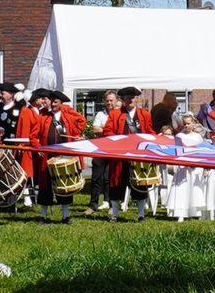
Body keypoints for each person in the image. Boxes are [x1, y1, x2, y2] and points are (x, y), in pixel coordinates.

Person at [101, 86, 155, 222]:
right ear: (123, 99)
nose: (130, 100)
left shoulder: (145, 114)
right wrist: (119, 142)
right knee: (116, 184)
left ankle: (141, 215)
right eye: (127, 97)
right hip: (120, 157)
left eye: (132, 97)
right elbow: (107, 132)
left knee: (140, 185)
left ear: (136, 99)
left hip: (138, 157)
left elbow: (149, 132)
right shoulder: (115, 114)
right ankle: (115, 214)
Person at [43, 91, 86, 224]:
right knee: (46, 186)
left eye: (56, 102)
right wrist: (38, 147)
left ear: (61, 104)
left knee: (65, 185)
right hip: (48, 155)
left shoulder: (68, 117)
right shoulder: (43, 117)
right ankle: (43, 216)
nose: (53, 104)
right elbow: (35, 134)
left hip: (64, 155)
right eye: (52, 102)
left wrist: (77, 133)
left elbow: (82, 121)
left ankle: (65, 215)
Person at [165, 114, 208, 222]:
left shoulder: (197, 137)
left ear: (193, 123)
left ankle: (195, 212)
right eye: (184, 124)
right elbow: (177, 152)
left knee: (195, 188)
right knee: (182, 189)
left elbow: (201, 152)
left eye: (188, 123)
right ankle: (181, 212)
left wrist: (195, 163)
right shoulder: (179, 136)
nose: (186, 126)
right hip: (182, 167)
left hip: (194, 167)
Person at [85, 90, 118, 216]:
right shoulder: (100, 114)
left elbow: (118, 131)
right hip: (99, 149)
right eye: (108, 100)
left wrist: (103, 129)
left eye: (112, 100)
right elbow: (94, 129)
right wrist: (110, 130)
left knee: (109, 178)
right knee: (96, 178)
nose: (109, 103)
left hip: (113, 150)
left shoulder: (119, 114)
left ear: (116, 101)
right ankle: (93, 205)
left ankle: (111, 204)